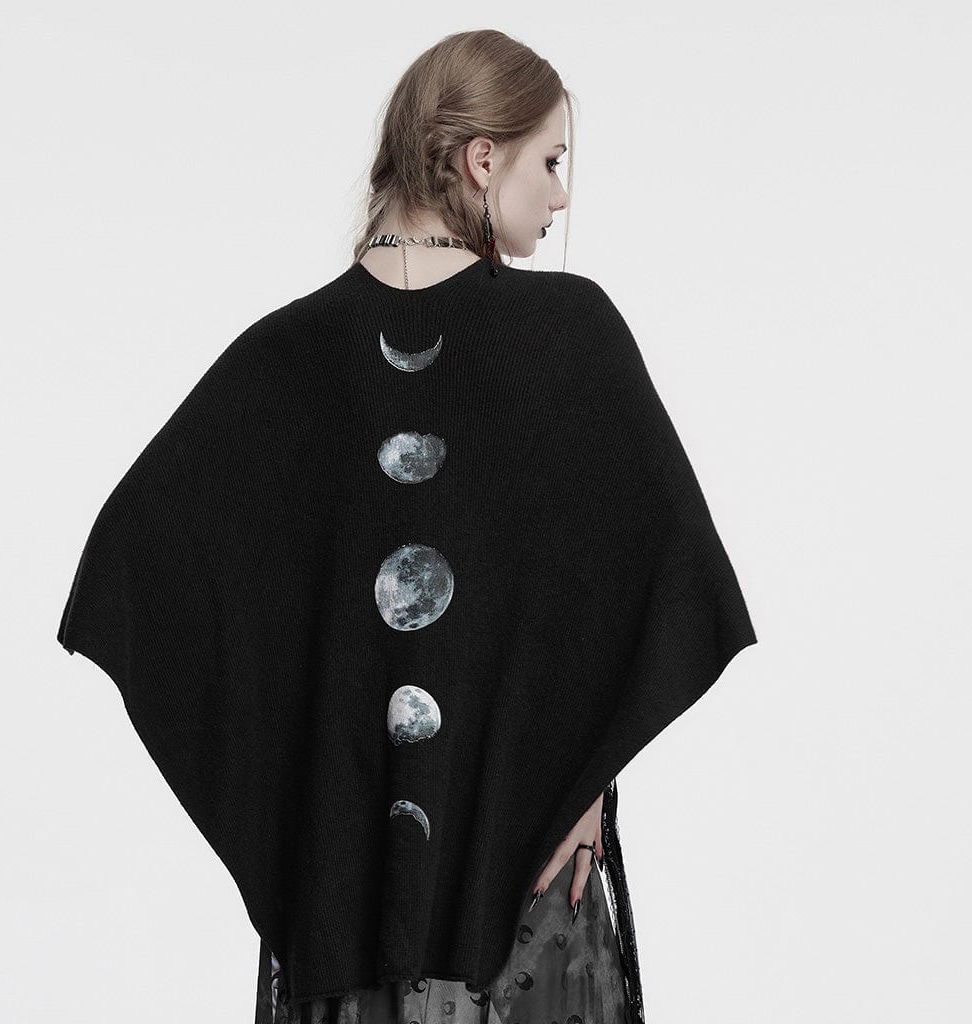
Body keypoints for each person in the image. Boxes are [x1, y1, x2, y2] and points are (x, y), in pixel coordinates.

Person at [57, 29, 756, 1024]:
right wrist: (582, 774)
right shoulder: (572, 335)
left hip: (341, 914)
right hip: (526, 910)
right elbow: (661, 593)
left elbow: (141, 575)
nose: (560, 196)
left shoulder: (283, 357)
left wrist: (295, 814)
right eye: (550, 161)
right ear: (483, 159)